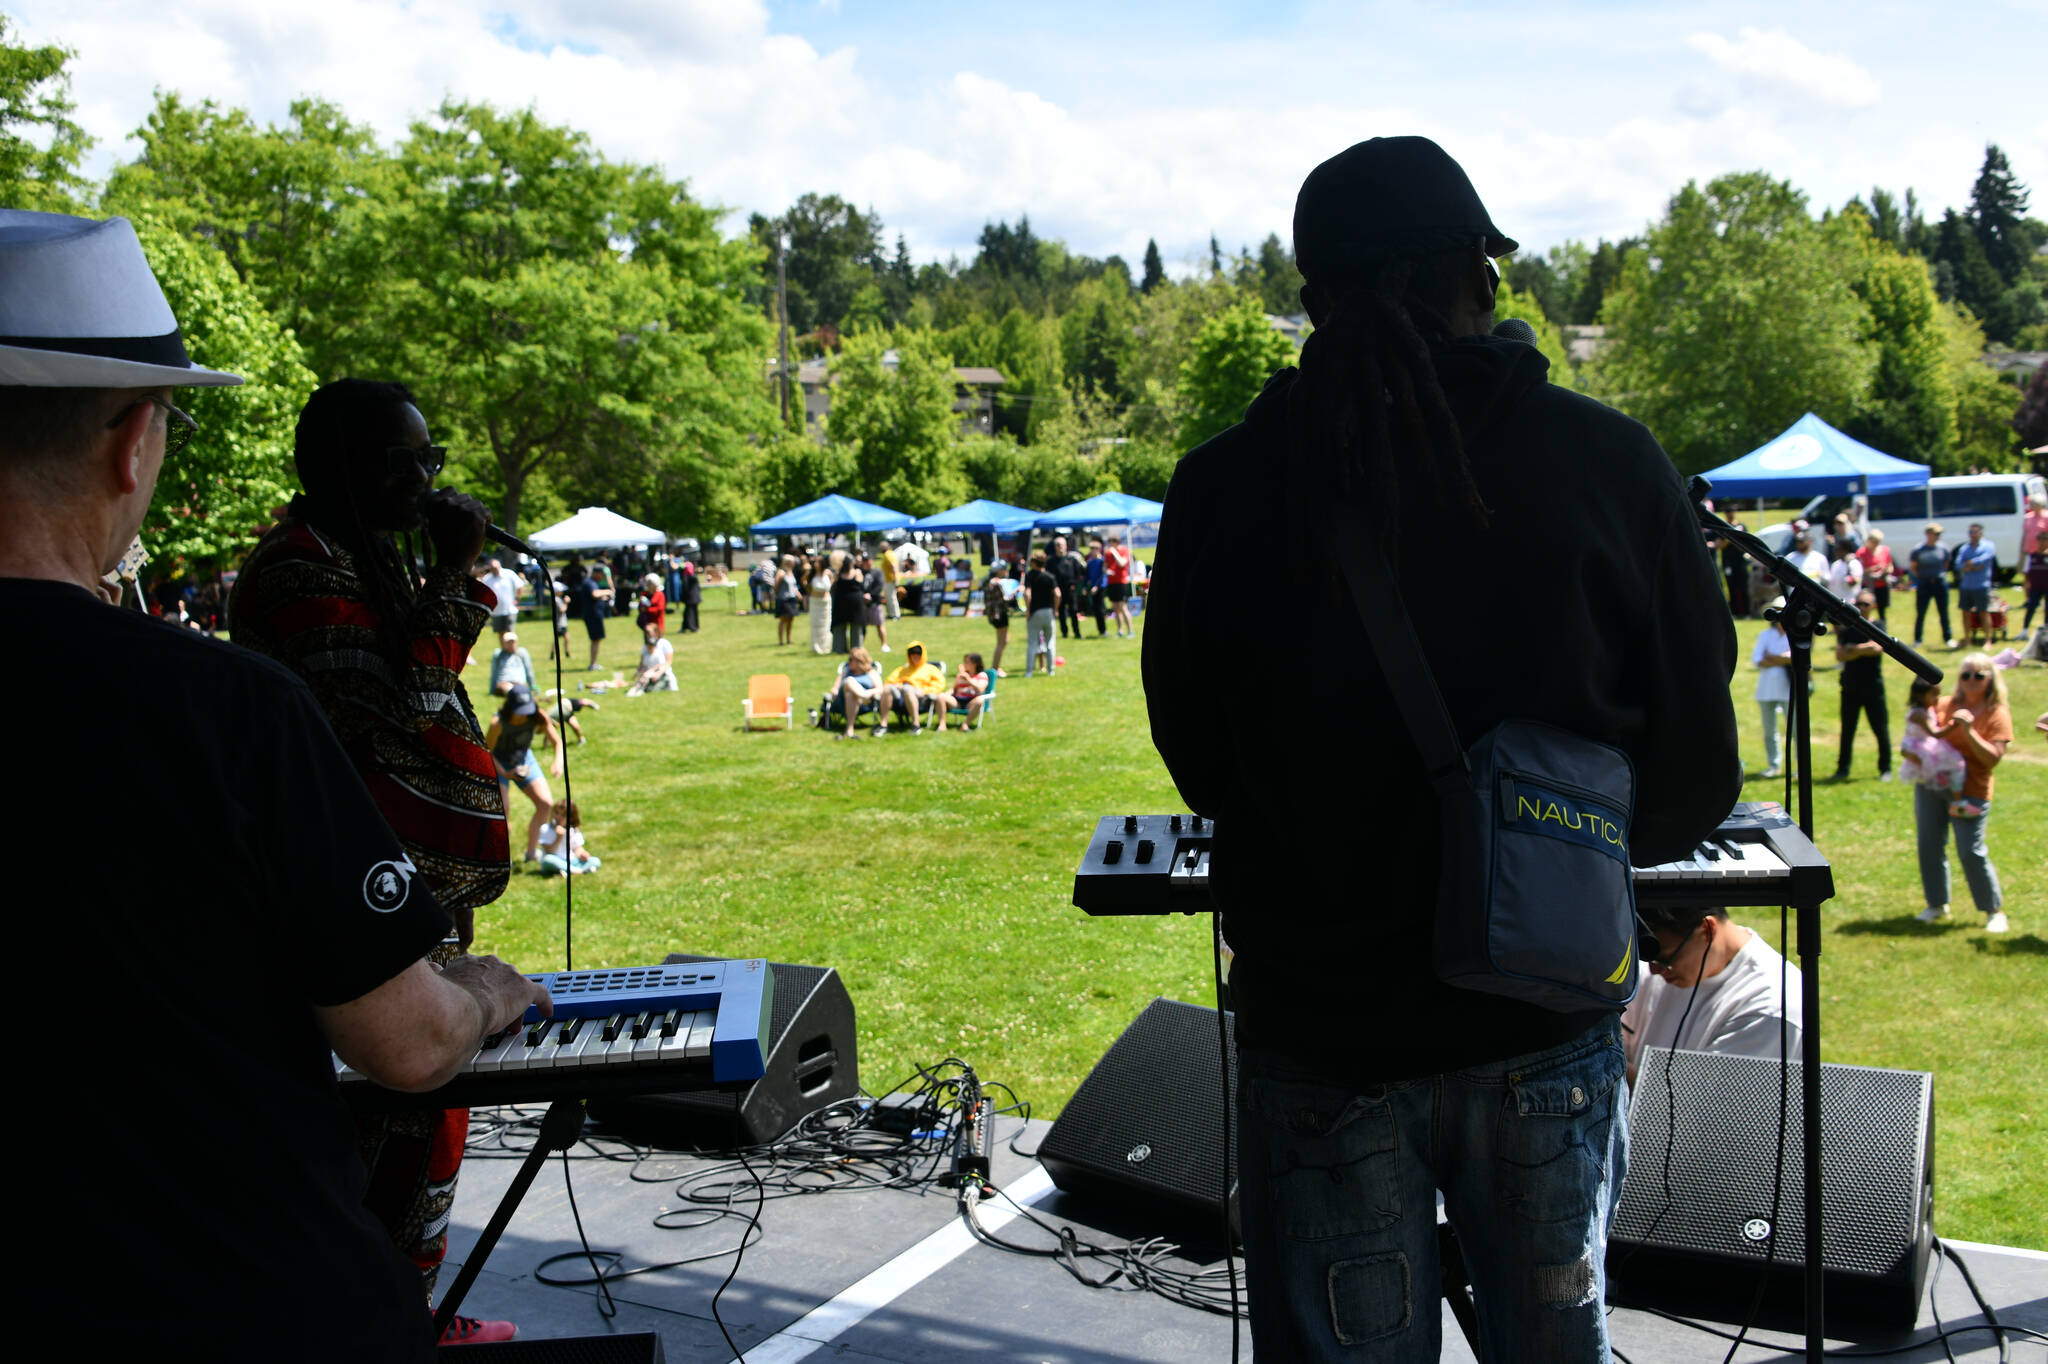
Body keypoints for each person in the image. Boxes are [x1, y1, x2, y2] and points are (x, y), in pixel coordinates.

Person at [1143, 139, 1739, 1362]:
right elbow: (1693, 781)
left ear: (1313, 298)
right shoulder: (1605, 463)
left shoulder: (1221, 487)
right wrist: (1551, 841)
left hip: (1318, 1028)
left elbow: (1197, 757)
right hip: (1540, 1027)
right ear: (1477, 271)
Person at [2, 208, 550, 1358]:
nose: (425, 481)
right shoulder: (230, 688)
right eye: (404, 461)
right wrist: (482, 994)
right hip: (237, 1297)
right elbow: (407, 1040)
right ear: (133, 442)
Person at [228, 378, 528, 1339]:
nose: (425, 482)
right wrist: (456, 574)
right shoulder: (298, 573)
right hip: (351, 907)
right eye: (406, 463)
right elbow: (405, 710)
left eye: (431, 461)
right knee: (388, 1116)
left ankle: (413, 1314)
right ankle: (385, 1324)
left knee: (428, 1116)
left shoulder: (358, 560)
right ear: (342, 469)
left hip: (404, 903)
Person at [1619, 905, 1803, 1085]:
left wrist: (1610, 1065)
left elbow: (1704, 1101)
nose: (1653, 971)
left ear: (1707, 931)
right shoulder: (1672, 960)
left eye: (1664, 960)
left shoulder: (1770, 1010)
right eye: (1646, 958)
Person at [1912, 653, 2014, 931]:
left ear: (1991, 679)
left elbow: (1992, 759)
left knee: (1971, 851)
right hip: (1932, 785)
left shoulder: (1997, 713)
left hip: (1971, 789)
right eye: (1965, 675)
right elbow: (1922, 733)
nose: (1971, 680)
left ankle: (1993, 911)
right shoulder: (1944, 704)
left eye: (1978, 675)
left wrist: (1969, 730)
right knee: (1929, 845)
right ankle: (1936, 904)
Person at [485, 685, 564, 861]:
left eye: (527, 710)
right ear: (510, 707)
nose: (523, 715)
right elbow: (486, 752)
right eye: (519, 711)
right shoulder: (498, 723)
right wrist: (505, 773)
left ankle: (531, 853)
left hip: (523, 760)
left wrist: (558, 761)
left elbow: (557, 742)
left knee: (545, 803)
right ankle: (502, 858)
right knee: (502, 811)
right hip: (498, 764)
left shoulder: (537, 717)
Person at [1832, 591, 1891, 781]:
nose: (1862, 607)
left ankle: (1885, 768)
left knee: (1880, 728)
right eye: (1859, 604)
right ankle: (1842, 769)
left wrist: (1854, 649)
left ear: (1873, 606)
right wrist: (1862, 650)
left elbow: (1876, 648)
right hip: (1850, 685)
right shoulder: (1847, 629)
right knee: (1847, 729)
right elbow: (1840, 655)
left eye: (1866, 604)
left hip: (1873, 685)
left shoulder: (1878, 625)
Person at [1753, 603, 1792, 780]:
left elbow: (1794, 659)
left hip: (1789, 688)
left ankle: (1798, 766)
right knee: (1770, 731)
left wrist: (1773, 658)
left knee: (1795, 730)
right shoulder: (1765, 635)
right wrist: (1782, 659)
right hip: (1766, 688)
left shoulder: (1794, 635)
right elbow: (1758, 659)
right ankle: (1774, 764)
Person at [1908, 523, 1955, 649]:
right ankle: (1918, 639)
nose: (1938, 536)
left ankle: (1948, 637)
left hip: (1940, 583)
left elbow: (1946, 564)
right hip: (1924, 583)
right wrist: (1922, 577)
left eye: (1939, 534)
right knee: (1921, 612)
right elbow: (1913, 567)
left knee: (1943, 611)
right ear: (1928, 534)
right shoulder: (1918, 550)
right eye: (1936, 534)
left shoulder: (1943, 548)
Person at [884, 640, 946, 733]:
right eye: (912, 653)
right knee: (888, 689)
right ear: (909, 655)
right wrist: (898, 685)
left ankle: (916, 724)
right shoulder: (902, 670)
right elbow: (889, 682)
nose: (915, 656)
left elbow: (939, 685)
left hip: (922, 698)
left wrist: (925, 690)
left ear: (923, 654)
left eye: (918, 653)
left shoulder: (931, 669)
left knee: (907, 689)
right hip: (900, 698)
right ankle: (883, 725)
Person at [824, 646, 887, 738]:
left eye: (851, 659)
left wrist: (869, 692)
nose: (848, 662)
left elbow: (880, 689)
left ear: (859, 660)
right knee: (849, 681)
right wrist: (834, 691)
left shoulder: (871, 673)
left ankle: (849, 730)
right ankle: (862, 695)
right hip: (843, 702)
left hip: (864, 704)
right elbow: (835, 688)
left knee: (851, 694)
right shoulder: (846, 672)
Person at [1952, 522, 1997, 640]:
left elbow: (1985, 559)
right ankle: (1967, 639)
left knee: (1983, 612)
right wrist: (1972, 566)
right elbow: (1958, 563)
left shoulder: (1988, 546)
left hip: (1981, 585)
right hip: (1966, 585)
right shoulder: (1964, 548)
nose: (1972, 534)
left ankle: (1988, 640)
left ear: (1981, 533)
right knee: (1965, 613)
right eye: (1970, 532)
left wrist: (1970, 563)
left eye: (1975, 532)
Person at [536, 798, 600, 875]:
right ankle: (580, 871)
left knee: (595, 860)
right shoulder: (546, 829)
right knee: (548, 859)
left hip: (570, 860)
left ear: (571, 818)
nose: (558, 817)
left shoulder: (573, 830)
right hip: (554, 859)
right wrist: (559, 837)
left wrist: (583, 854)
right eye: (556, 812)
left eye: (563, 815)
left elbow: (577, 849)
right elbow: (549, 851)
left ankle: (565, 870)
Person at [1022, 549, 1058, 677]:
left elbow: (1027, 594)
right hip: (1048, 612)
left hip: (1035, 612)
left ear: (1034, 563)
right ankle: (1051, 670)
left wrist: (1028, 610)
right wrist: (1056, 609)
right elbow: (1058, 594)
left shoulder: (1030, 576)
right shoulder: (1050, 576)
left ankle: (1029, 672)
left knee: (1032, 643)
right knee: (1050, 642)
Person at [939, 651, 991, 731]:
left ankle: (965, 725)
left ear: (975, 664)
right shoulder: (961, 675)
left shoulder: (982, 675)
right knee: (940, 696)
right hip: (958, 701)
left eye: (967, 662)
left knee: (980, 700)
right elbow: (954, 689)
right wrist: (946, 694)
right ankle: (942, 725)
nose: (964, 664)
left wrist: (968, 679)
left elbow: (981, 689)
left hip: (971, 702)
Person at [1855, 527, 1895, 627]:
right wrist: (1872, 569)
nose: (1876, 544)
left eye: (1878, 542)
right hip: (1868, 584)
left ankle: (1883, 628)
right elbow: (1859, 570)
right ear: (1869, 540)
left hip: (1882, 584)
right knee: (1865, 608)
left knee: (1882, 609)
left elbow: (1890, 565)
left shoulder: (1885, 550)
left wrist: (1886, 571)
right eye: (1874, 542)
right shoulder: (1861, 552)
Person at [626, 620, 677, 695]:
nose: (647, 634)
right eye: (646, 632)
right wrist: (638, 672)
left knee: (651, 690)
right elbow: (642, 662)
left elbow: (668, 662)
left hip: (663, 673)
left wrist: (658, 673)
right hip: (649, 674)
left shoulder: (664, 643)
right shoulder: (645, 645)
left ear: (656, 632)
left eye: (649, 632)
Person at [2022, 492, 2048, 633]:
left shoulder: (2046, 517)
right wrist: (2023, 549)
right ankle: (2030, 599)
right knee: (2028, 577)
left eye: (2034, 504)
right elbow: (2025, 535)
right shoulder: (2027, 518)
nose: (2031, 506)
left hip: (2044, 554)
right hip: (2030, 552)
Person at [982, 560, 1014, 676]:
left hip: (993, 615)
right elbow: (1004, 599)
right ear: (999, 571)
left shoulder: (987, 581)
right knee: (1001, 642)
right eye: (1004, 569)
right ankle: (995, 669)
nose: (1006, 571)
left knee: (1004, 640)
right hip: (1000, 614)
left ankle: (996, 667)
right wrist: (1016, 592)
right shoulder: (997, 583)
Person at [479, 556, 525, 635]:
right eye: (493, 568)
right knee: (501, 633)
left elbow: (520, 586)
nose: (495, 570)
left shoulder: (509, 574)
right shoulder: (487, 578)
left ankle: (511, 643)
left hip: (509, 609)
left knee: (510, 633)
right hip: (496, 611)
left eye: (496, 568)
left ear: (499, 566)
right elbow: (483, 592)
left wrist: (517, 599)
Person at [1050, 535, 1084, 639]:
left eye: (1062, 545)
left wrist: (1075, 584)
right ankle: (1064, 632)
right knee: (1061, 612)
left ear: (1066, 546)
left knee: (1073, 611)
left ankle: (1077, 632)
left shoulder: (1072, 559)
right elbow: (1049, 575)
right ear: (1055, 547)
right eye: (1058, 545)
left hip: (1070, 590)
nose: (1060, 547)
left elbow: (1079, 573)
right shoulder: (1051, 561)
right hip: (1058, 590)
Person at [489, 629, 537, 697]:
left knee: (520, 688)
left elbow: (529, 670)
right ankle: (516, 694)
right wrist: (492, 690)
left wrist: (533, 687)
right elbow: (494, 672)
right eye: (509, 642)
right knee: (507, 688)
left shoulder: (522, 652)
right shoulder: (498, 654)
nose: (511, 644)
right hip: (504, 683)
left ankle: (517, 693)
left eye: (513, 642)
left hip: (519, 683)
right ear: (504, 643)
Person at [1104, 533, 1134, 637]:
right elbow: (1105, 566)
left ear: (1116, 543)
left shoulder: (1124, 551)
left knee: (1123, 607)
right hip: (1111, 582)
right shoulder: (1108, 553)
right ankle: (1120, 631)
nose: (1110, 545)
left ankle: (1130, 631)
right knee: (1115, 608)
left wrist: (1115, 553)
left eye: (1111, 543)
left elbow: (1122, 563)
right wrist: (1106, 571)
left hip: (1121, 582)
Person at [861, 550, 891, 653]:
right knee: (862, 626)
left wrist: (870, 595)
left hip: (875, 602)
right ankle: (860, 646)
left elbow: (879, 586)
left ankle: (884, 644)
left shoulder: (877, 572)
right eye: (864, 560)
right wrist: (863, 595)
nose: (867, 562)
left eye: (868, 560)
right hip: (863, 603)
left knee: (879, 624)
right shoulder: (860, 572)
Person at [1825, 534, 1863, 606]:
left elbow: (1853, 582)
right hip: (1835, 602)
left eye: (1838, 548)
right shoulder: (1835, 564)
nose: (1836, 550)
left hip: (1849, 604)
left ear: (1845, 550)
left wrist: (1848, 566)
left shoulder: (1854, 563)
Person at [807, 552, 834, 653]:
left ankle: (825, 645)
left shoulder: (827, 573)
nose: (816, 564)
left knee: (826, 624)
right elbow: (804, 582)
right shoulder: (811, 574)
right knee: (816, 624)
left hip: (825, 602)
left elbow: (832, 580)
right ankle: (816, 646)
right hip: (815, 601)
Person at [774, 553, 802, 646]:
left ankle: (789, 639)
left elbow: (793, 586)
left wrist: (798, 594)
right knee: (783, 620)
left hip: (792, 598)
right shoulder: (781, 573)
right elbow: (776, 586)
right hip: (783, 599)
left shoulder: (791, 572)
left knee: (790, 619)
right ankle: (781, 640)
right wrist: (777, 595)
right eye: (792, 562)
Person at [1084, 538, 1109, 635]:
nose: (1092, 551)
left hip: (1100, 587)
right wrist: (1085, 586)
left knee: (1100, 608)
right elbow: (1087, 576)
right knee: (1095, 609)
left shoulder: (1102, 561)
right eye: (1091, 549)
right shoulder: (1090, 562)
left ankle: (1103, 630)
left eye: (1094, 549)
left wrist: (1097, 587)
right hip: (1092, 587)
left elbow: (1102, 575)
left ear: (1099, 550)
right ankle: (1100, 630)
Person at [678, 557, 702, 633]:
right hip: (695, 598)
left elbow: (685, 589)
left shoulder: (687, 577)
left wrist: (683, 597)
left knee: (690, 613)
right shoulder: (693, 575)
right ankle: (686, 627)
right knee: (690, 613)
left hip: (690, 598)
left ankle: (693, 627)